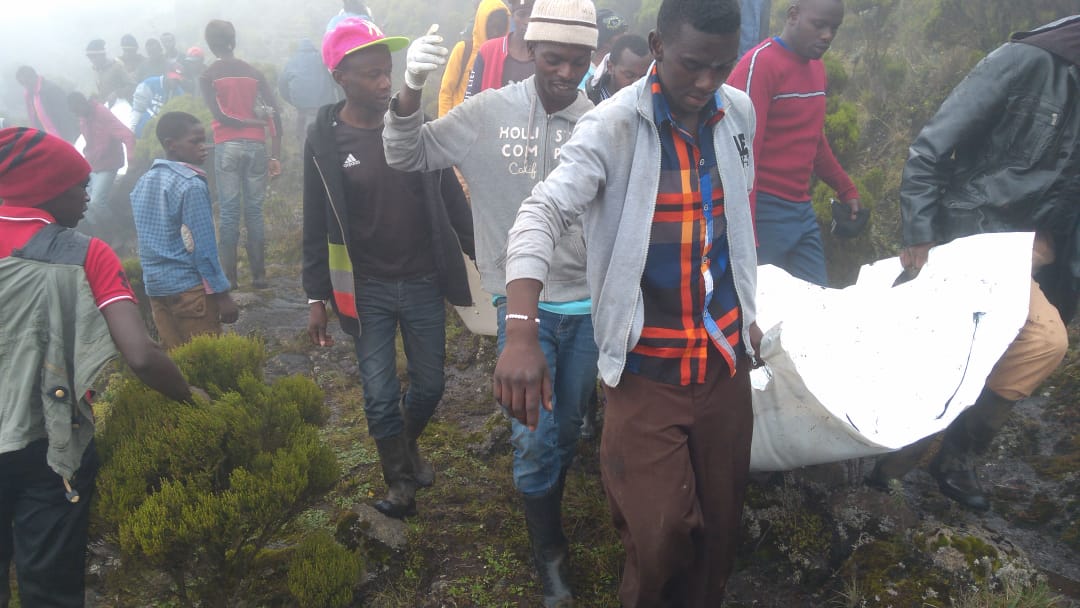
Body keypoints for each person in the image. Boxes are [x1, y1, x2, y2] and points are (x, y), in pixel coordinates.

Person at [495, 0, 762, 604]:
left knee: (719, 535)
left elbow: (733, 223)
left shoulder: (737, 112)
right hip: (646, 371)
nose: (706, 83)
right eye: (694, 64)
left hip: (724, 363)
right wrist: (519, 331)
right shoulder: (612, 127)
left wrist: (748, 310)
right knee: (661, 532)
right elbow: (540, 213)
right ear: (658, 45)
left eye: (722, 67)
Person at [384, 1, 597, 604]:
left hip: (589, 305)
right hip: (522, 307)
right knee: (533, 433)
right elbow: (406, 154)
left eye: (578, 61)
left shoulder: (600, 123)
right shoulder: (486, 113)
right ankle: (549, 552)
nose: (565, 72)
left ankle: (547, 500)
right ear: (528, 50)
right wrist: (410, 89)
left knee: (570, 425)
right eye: (553, 57)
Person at [867, 15, 1080, 512]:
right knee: (1006, 344)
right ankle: (898, 462)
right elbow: (931, 147)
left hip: (1043, 251)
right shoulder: (1026, 61)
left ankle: (956, 455)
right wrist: (919, 232)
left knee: (1023, 348)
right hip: (978, 231)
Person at [0, 126, 204, 608]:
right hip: (46, 448)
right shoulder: (85, 253)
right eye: (79, 186)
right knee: (49, 586)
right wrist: (191, 396)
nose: (88, 196)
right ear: (46, 189)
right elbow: (141, 354)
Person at [304, 18, 475, 520]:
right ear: (341, 78)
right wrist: (316, 296)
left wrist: (479, 250)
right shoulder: (324, 141)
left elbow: (448, 195)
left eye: (388, 72)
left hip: (423, 280)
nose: (385, 83)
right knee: (378, 396)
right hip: (366, 290)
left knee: (430, 385)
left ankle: (403, 445)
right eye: (372, 75)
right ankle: (400, 483)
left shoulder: (411, 124)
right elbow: (317, 224)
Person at [727, 0, 861, 287]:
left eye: (833, 28)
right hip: (762, 210)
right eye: (819, 25)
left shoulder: (817, 67)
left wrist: (844, 186)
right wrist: (745, 236)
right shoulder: (759, 65)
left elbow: (813, 138)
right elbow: (741, 155)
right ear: (793, 15)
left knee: (816, 304)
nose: (827, 35)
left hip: (801, 211)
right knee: (760, 314)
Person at [130, 112, 239, 349]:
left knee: (180, 365)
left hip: (156, 291)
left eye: (204, 140)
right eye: (195, 142)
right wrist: (222, 295)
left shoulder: (143, 182)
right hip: (190, 293)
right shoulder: (190, 186)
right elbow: (203, 248)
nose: (204, 147)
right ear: (171, 145)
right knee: (208, 361)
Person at [200, 19, 283, 290]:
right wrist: (275, 154)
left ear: (211, 43)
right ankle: (259, 277)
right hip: (257, 146)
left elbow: (219, 115)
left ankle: (230, 280)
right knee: (255, 211)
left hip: (227, 146)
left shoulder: (209, 75)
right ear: (233, 40)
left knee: (229, 211)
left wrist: (245, 123)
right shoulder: (253, 72)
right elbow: (275, 113)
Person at [66, 92, 135, 236]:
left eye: (77, 110)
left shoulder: (101, 112)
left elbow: (126, 134)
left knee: (97, 202)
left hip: (109, 162)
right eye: (74, 113)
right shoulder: (83, 118)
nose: (77, 114)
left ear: (82, 103)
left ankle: (117, 231)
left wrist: (131, 157)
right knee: (84, 202)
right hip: (92, 164)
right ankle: (101, 234)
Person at [437, 0, 510, 117]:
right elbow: (446, 91)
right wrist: (444, 128)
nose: (496, 33)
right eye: (492, 27)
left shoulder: (505, 57)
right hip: (458, 126)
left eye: (500, 28)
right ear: (482, 24)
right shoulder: (463, 50)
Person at [463, 0, 535, 99]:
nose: (527, 21)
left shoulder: (544, 55)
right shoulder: (488, 50)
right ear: (513, 16)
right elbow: (470, 97)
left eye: (533, 15)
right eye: (521, 15)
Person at [279, 38, 340, 144]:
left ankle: (305, 155)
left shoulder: (292, 62)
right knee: (330, 139)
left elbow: (282, 87)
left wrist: (293, 102)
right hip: (325, 109)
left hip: (303, 109)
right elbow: (336, 82)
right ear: (313, 48)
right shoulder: (323, 60)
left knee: (303, 138)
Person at [15, 66, 80, 143]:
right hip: (47, 139)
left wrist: (69, 140)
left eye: (27, 82)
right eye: (23, 84)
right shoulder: (31, 95)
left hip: (63, 137)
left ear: (33, 77)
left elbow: (65, 116)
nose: (26, 86)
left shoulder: (51, 90)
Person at [585, 33, 649, 104]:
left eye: (643, 77)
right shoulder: (587, 102)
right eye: (629, 75)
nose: (637, 82)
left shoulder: (650, 105)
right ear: (610, 67)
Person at [580, 8, 628, 88]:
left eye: (624, 31)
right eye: (619, 33)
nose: (626, 36)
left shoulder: (627, 70)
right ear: (605, 41)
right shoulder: (581, 74)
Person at [130, 71, 186, 137]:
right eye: (173, 79)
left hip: (163, 132)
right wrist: (132, 127)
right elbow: (138, 108)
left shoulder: (180, 94)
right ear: (166, 75)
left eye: (177, 81)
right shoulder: (149, 83)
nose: (175, 83)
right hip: (143, 127)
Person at [86, 39, 134, 105]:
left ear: (102, 55)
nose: (92, 60)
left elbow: (133, 85)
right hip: (107, 108)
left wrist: (117, 93)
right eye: (90, 57)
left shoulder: (116, 66)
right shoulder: (95, 71)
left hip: (123, 106)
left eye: (94, 57)